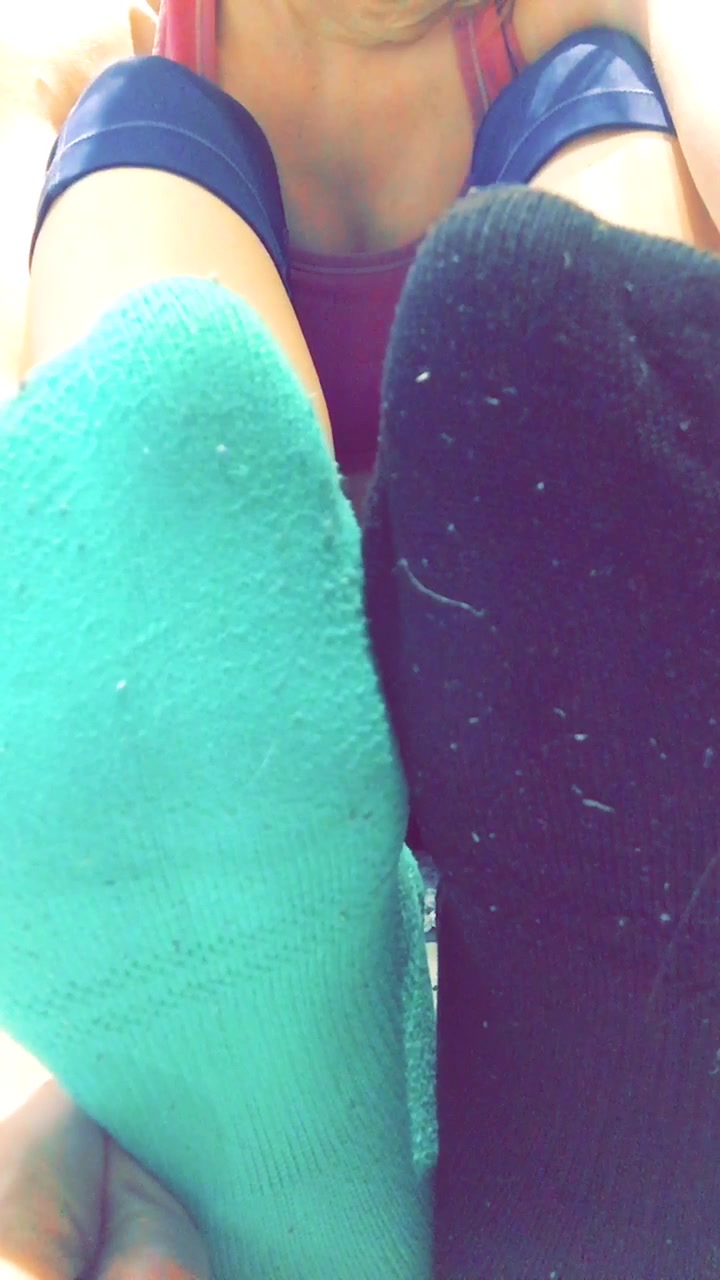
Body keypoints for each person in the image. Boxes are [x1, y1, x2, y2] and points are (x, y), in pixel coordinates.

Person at [1, 0, 720, 1276]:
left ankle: (297, 1196)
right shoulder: (126, 52)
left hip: (517, 690)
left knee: (569, 291)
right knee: (136, 254)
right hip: (289, 720)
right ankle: (352, 1177)